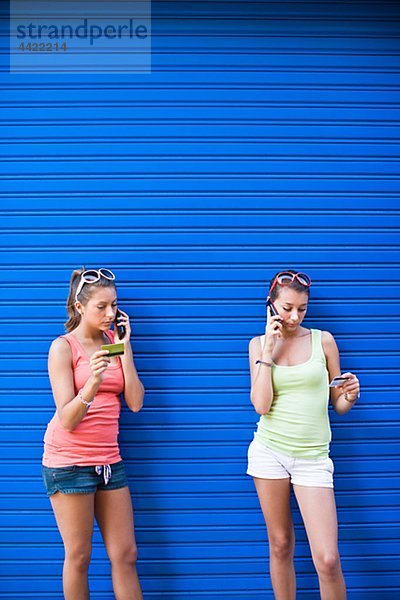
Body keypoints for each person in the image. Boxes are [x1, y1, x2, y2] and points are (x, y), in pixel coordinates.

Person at [247, 270, 360, 600]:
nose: (294, 316)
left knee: (327, 559)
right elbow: (261, 405)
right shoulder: (256, 345)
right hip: (270, 453)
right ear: (270, 306)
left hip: (313, 458)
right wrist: (268, 351)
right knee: (281, 544)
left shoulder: (323, 340)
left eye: (302, 309)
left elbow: (336, 403)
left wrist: (349, 395)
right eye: (286, 308)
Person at [42, 267, 144, 600]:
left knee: (126, 555)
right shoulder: (63, 348)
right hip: (68, 464)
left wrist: (125, 350)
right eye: (101, 307)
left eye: (114, 305)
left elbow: (135, 402)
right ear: (80, 306)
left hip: (108, 462)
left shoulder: (115, 341)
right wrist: (93, 382)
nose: (110, 314)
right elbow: (68, 418)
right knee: (80, 556)